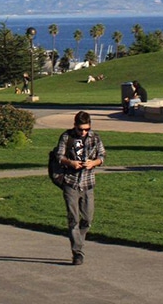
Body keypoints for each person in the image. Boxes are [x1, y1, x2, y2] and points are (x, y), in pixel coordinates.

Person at [55, 111, 105, 265]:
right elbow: (58, 156)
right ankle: (77, 252)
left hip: (88, 183)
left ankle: (79, 243)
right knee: (73, 219)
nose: (83, 132)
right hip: (71, 183)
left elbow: (102, 156)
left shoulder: (95, 138)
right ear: (75, 126)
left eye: (86, 129)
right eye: (80, 129)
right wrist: (71, 163)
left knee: (87, 219)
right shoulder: (66, 137)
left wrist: (93, 163)